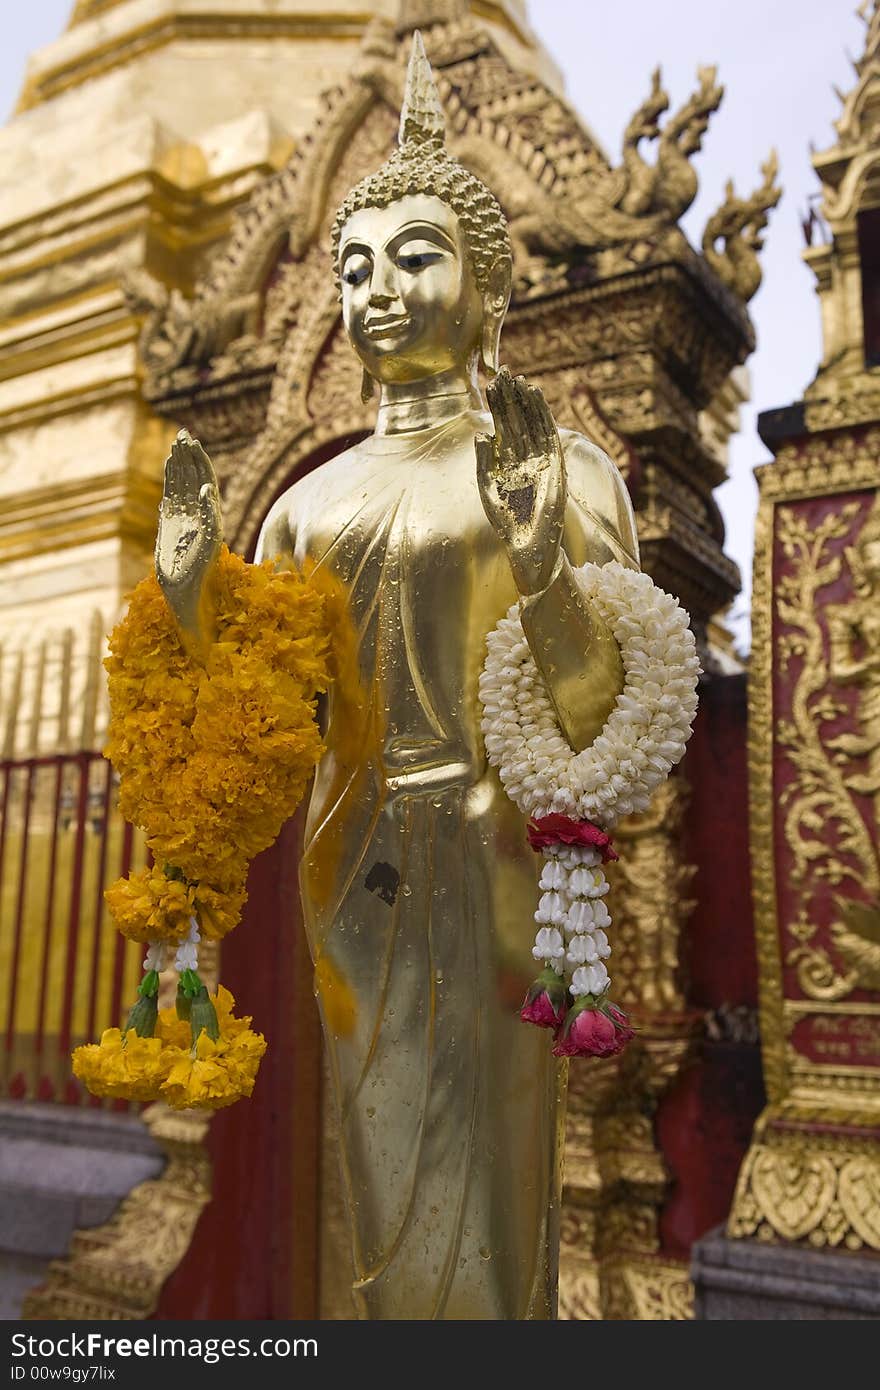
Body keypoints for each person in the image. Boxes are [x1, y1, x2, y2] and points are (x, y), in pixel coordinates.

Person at [157, 33, 639, 1318]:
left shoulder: (555, 467)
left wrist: (540, 562)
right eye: (355, 265)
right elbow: (258, 726)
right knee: (372, 1193)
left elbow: (600, 714)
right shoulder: (307, 508)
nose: (377, 287)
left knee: (487, 1195)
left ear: (488, 291)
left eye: (415, 258)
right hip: (353, 867)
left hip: (491, 862)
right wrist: (196, 597)